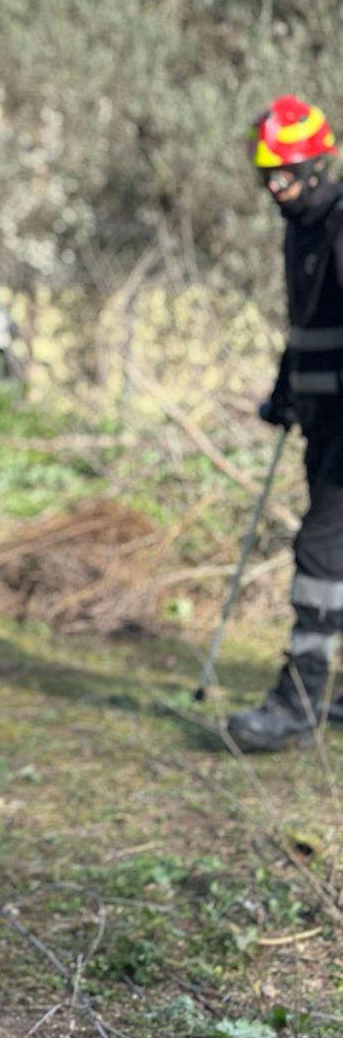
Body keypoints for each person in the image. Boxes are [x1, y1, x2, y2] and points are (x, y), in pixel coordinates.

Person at [228, 94, 343, 753]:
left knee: (321, 553)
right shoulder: (299, 224)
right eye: (265, 172)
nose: (274, 184)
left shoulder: (338, 222)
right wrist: (282, 392)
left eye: (285, 171)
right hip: (320, 419)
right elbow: (305, 327)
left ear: (317, 165)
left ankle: (297, 702)